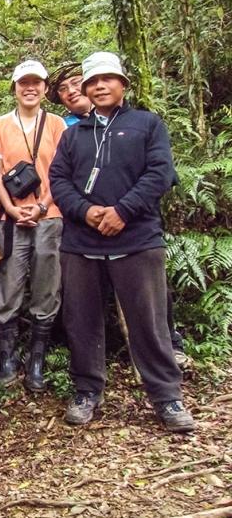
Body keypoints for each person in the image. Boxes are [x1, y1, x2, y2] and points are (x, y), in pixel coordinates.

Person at [49, 52, 195, 432]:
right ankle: (86, 391)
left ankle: (167, 397)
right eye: (93, 81)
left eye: (108, 79)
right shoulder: (73, 135)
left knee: (149, 320)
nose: (100, 86)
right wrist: (85, 211)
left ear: (123, 84)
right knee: (81, 321)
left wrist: (123, 211)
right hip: (81, 243)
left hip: (137, 239)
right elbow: (58, 180)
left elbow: (160, 173)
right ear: (85, 88)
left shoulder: (147, 124)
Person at [0, 61, 67, 392]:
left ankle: (37, 361)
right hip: (10, 218)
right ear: (15, 88)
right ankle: (6, 359)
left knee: (47, 283)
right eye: (24, 83)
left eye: (36, 83)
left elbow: (63, 171)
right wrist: (9, 208)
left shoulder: (58, 124)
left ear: (45, 88)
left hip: (49, 215)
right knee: (7, 282)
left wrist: (42, 205)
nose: (30, 88)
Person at [46, 62, 92, 127]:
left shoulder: (107, 116)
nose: (71, 91)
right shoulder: (62, 127)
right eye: (63, 89)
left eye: (76, 83)